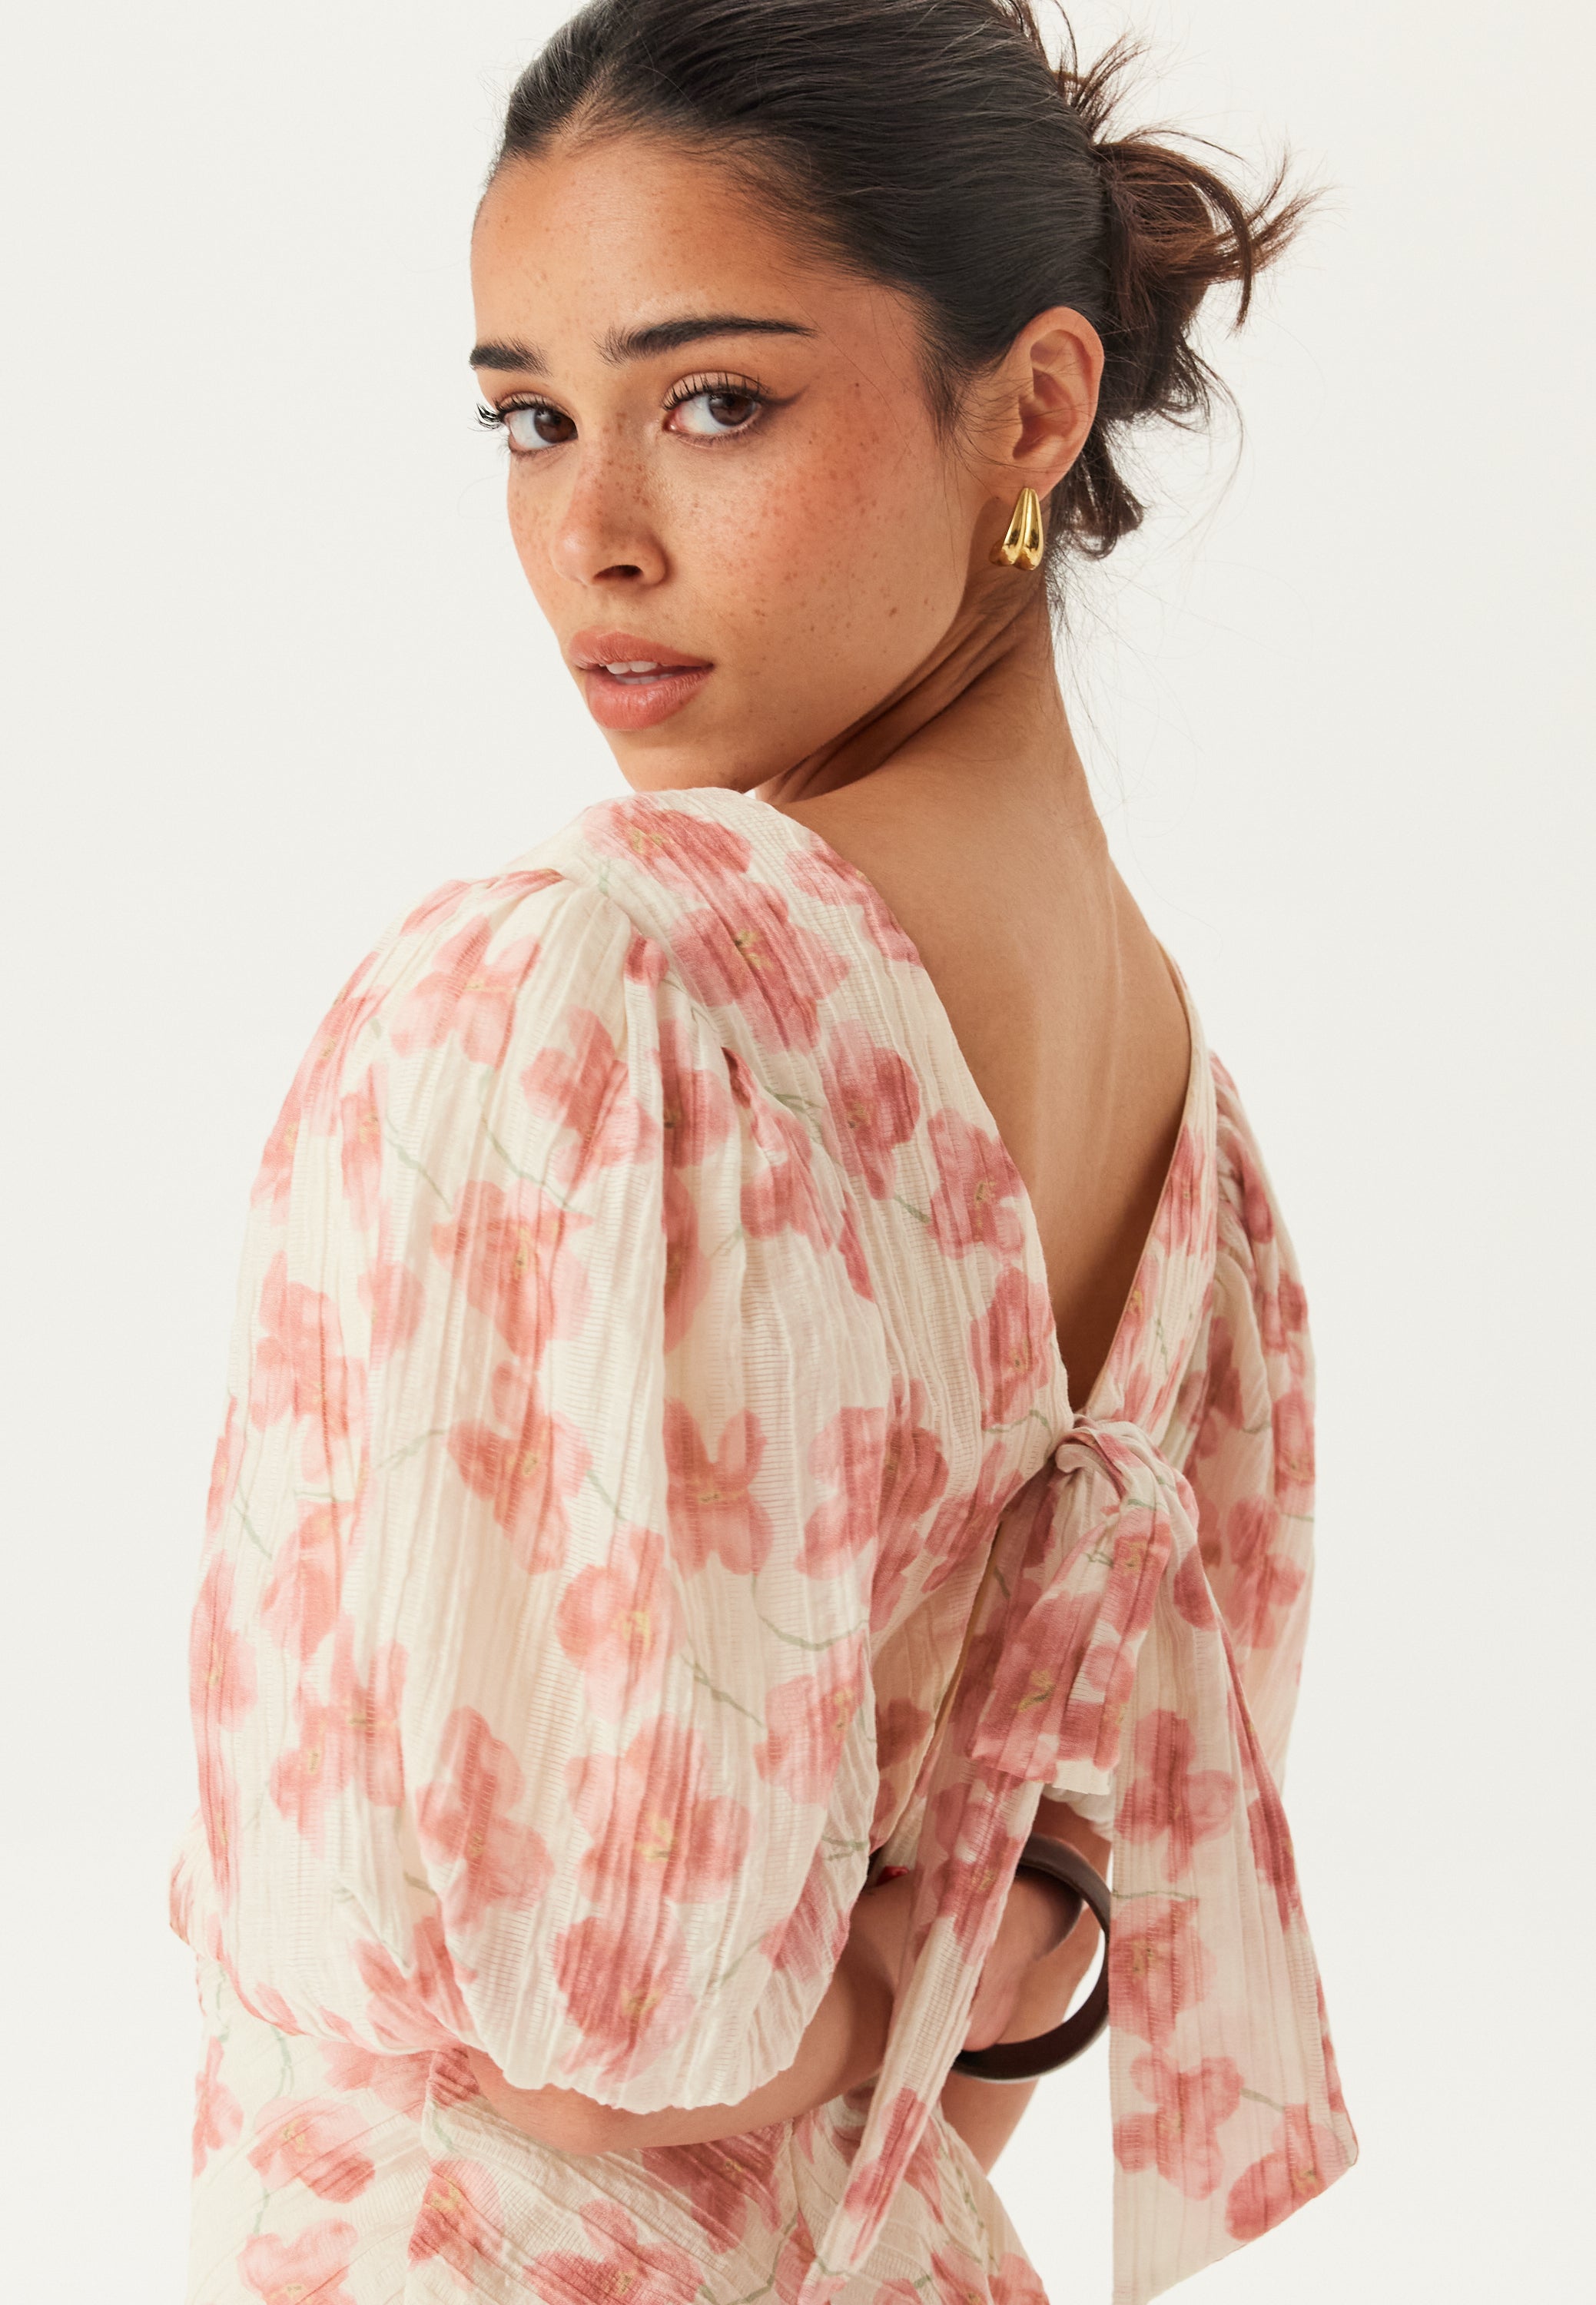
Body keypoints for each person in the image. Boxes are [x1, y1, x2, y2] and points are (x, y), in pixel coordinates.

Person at [174, 3, 1355, 2299]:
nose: (591, 538)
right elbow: (1008, 1990)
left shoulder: (601, 993)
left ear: (1033, 406)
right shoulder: (1196, 1140)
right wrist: (906, 1968)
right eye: (530, 418)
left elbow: (559, 2053)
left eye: (715, 401)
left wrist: (822, 1998)